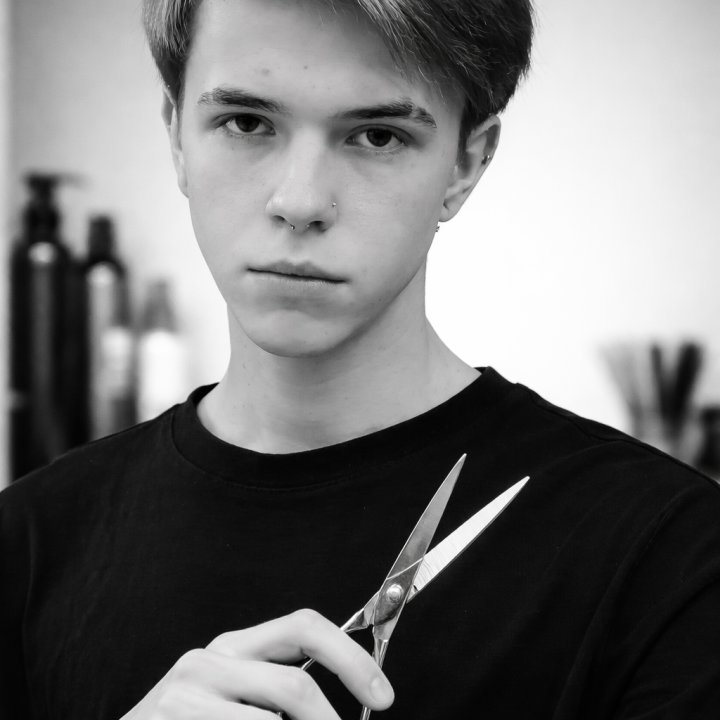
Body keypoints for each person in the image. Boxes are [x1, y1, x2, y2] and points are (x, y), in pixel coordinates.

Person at [2, 0, 719, 718]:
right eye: (246, 123)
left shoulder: (673, 557)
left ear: (465, 164)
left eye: (377, 136)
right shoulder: (27, 543)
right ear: (176, 136)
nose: (300, 201)